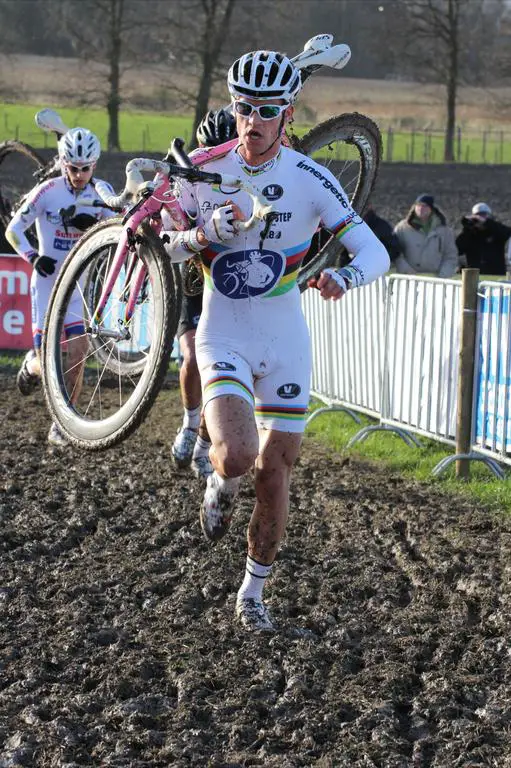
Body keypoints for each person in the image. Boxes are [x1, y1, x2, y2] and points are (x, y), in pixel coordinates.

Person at [163, 50, 390, 632]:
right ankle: (218, 479)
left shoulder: (309, 177)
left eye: (266, 111)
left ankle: (252, 595)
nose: (252, 121)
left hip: (286, 335)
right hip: (224, 330)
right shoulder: (202, 169)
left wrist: (344, 275)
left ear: (287, 116)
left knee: (275, 471)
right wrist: (201, 232)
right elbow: (158, 245)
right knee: (237, 455)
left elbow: (375, 251)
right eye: (243, 108)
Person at [5, 126, 115, 446]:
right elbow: (14, 230)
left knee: (78, 355)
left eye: (85, 168)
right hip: (47, 282)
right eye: (72, 168)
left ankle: (62, 423)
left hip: (78, 285)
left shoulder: (103, 191)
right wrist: (33, 257)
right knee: (47, 361)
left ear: (94, 164)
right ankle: (31, 364)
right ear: (62, 163)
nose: (79, 175)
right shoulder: (47, 191)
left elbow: (122, 225)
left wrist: (96, 223)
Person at [171, 108, 238, 481]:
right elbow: (171, 226)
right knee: (193, 356)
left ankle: (202, 444)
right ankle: (189, 422)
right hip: (197, 276)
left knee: (220, 372)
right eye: (207, 153)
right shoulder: (189, 176)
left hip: (233, 282)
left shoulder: (245, 174)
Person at [393, 193, 458, 277]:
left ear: (431, 208)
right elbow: (396, 252)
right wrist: (406, 271)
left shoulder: (444, 231)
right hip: (408, 279)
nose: (421, 208)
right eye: (418, 205)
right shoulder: (402, 228)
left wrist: (443, 275)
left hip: (436, 280)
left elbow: (450, 255)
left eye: (425, 206)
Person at [456, 202, 511, 276]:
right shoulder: (471, 235)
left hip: (496, 274)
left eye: (483, 216)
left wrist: (487, 223)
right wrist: (467, 229)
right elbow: (457, 250)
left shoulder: (496, 232)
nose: (480, 219)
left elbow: (507, 232)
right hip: (474, 276)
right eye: (477, 216)